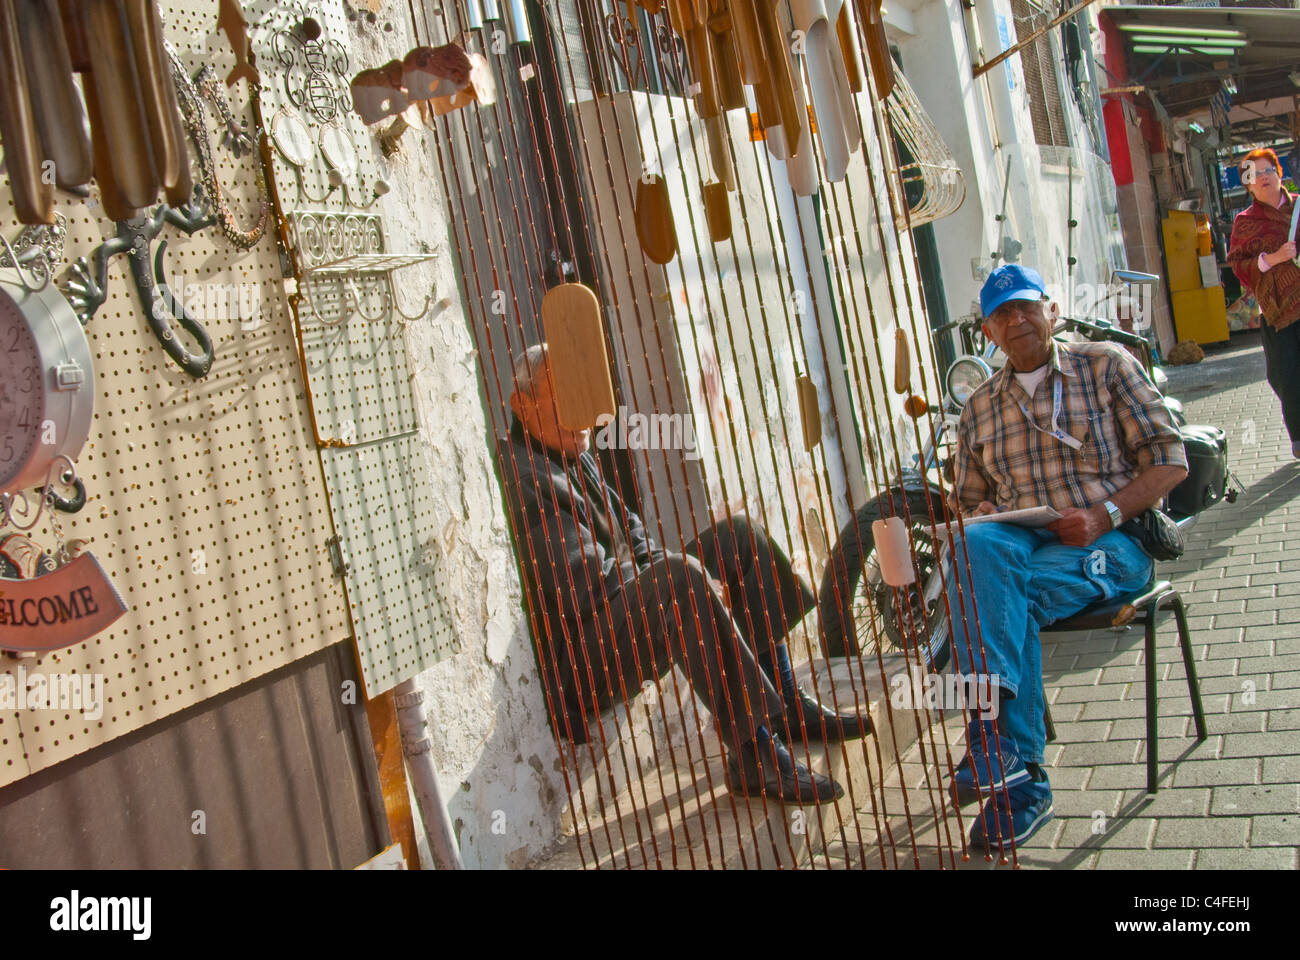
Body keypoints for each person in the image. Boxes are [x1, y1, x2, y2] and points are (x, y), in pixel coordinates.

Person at [497, 344, 871, 805]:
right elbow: (586, 586)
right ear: (523, 404)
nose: (582, 413)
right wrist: (687, 578)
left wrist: (690, 575)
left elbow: (634, 535)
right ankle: (754, 752)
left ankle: (786, 702)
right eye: (563, 396)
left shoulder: (574, 452)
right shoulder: (525, 472)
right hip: (583, 663)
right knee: (679, 577)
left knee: (739, 536)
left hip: (617, 615)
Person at [944, 265, 1189, 851]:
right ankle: (1009, 762)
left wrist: (1105, 514)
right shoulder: (979, 407)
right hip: (1024, 547)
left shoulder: (1104, 365)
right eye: (1003, 314)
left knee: (1001, 597)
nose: (1017, 319)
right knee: (975, 547)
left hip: (1114, 545)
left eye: (1027, 306)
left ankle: (1010, 766)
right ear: (988, 332)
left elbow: (1170, 459)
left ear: (1051, 311)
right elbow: (967, 507)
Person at [1226, 148, 1300, 457]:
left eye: (1267, 170)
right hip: (1278, 312)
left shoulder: (1299, 207)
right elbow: (1238, 266)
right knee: (1285, 374)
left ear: (1279, 172)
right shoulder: (1245, 223)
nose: (1262, 177)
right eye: (1254, 175)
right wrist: (1272, 259)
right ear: (1248, 185)